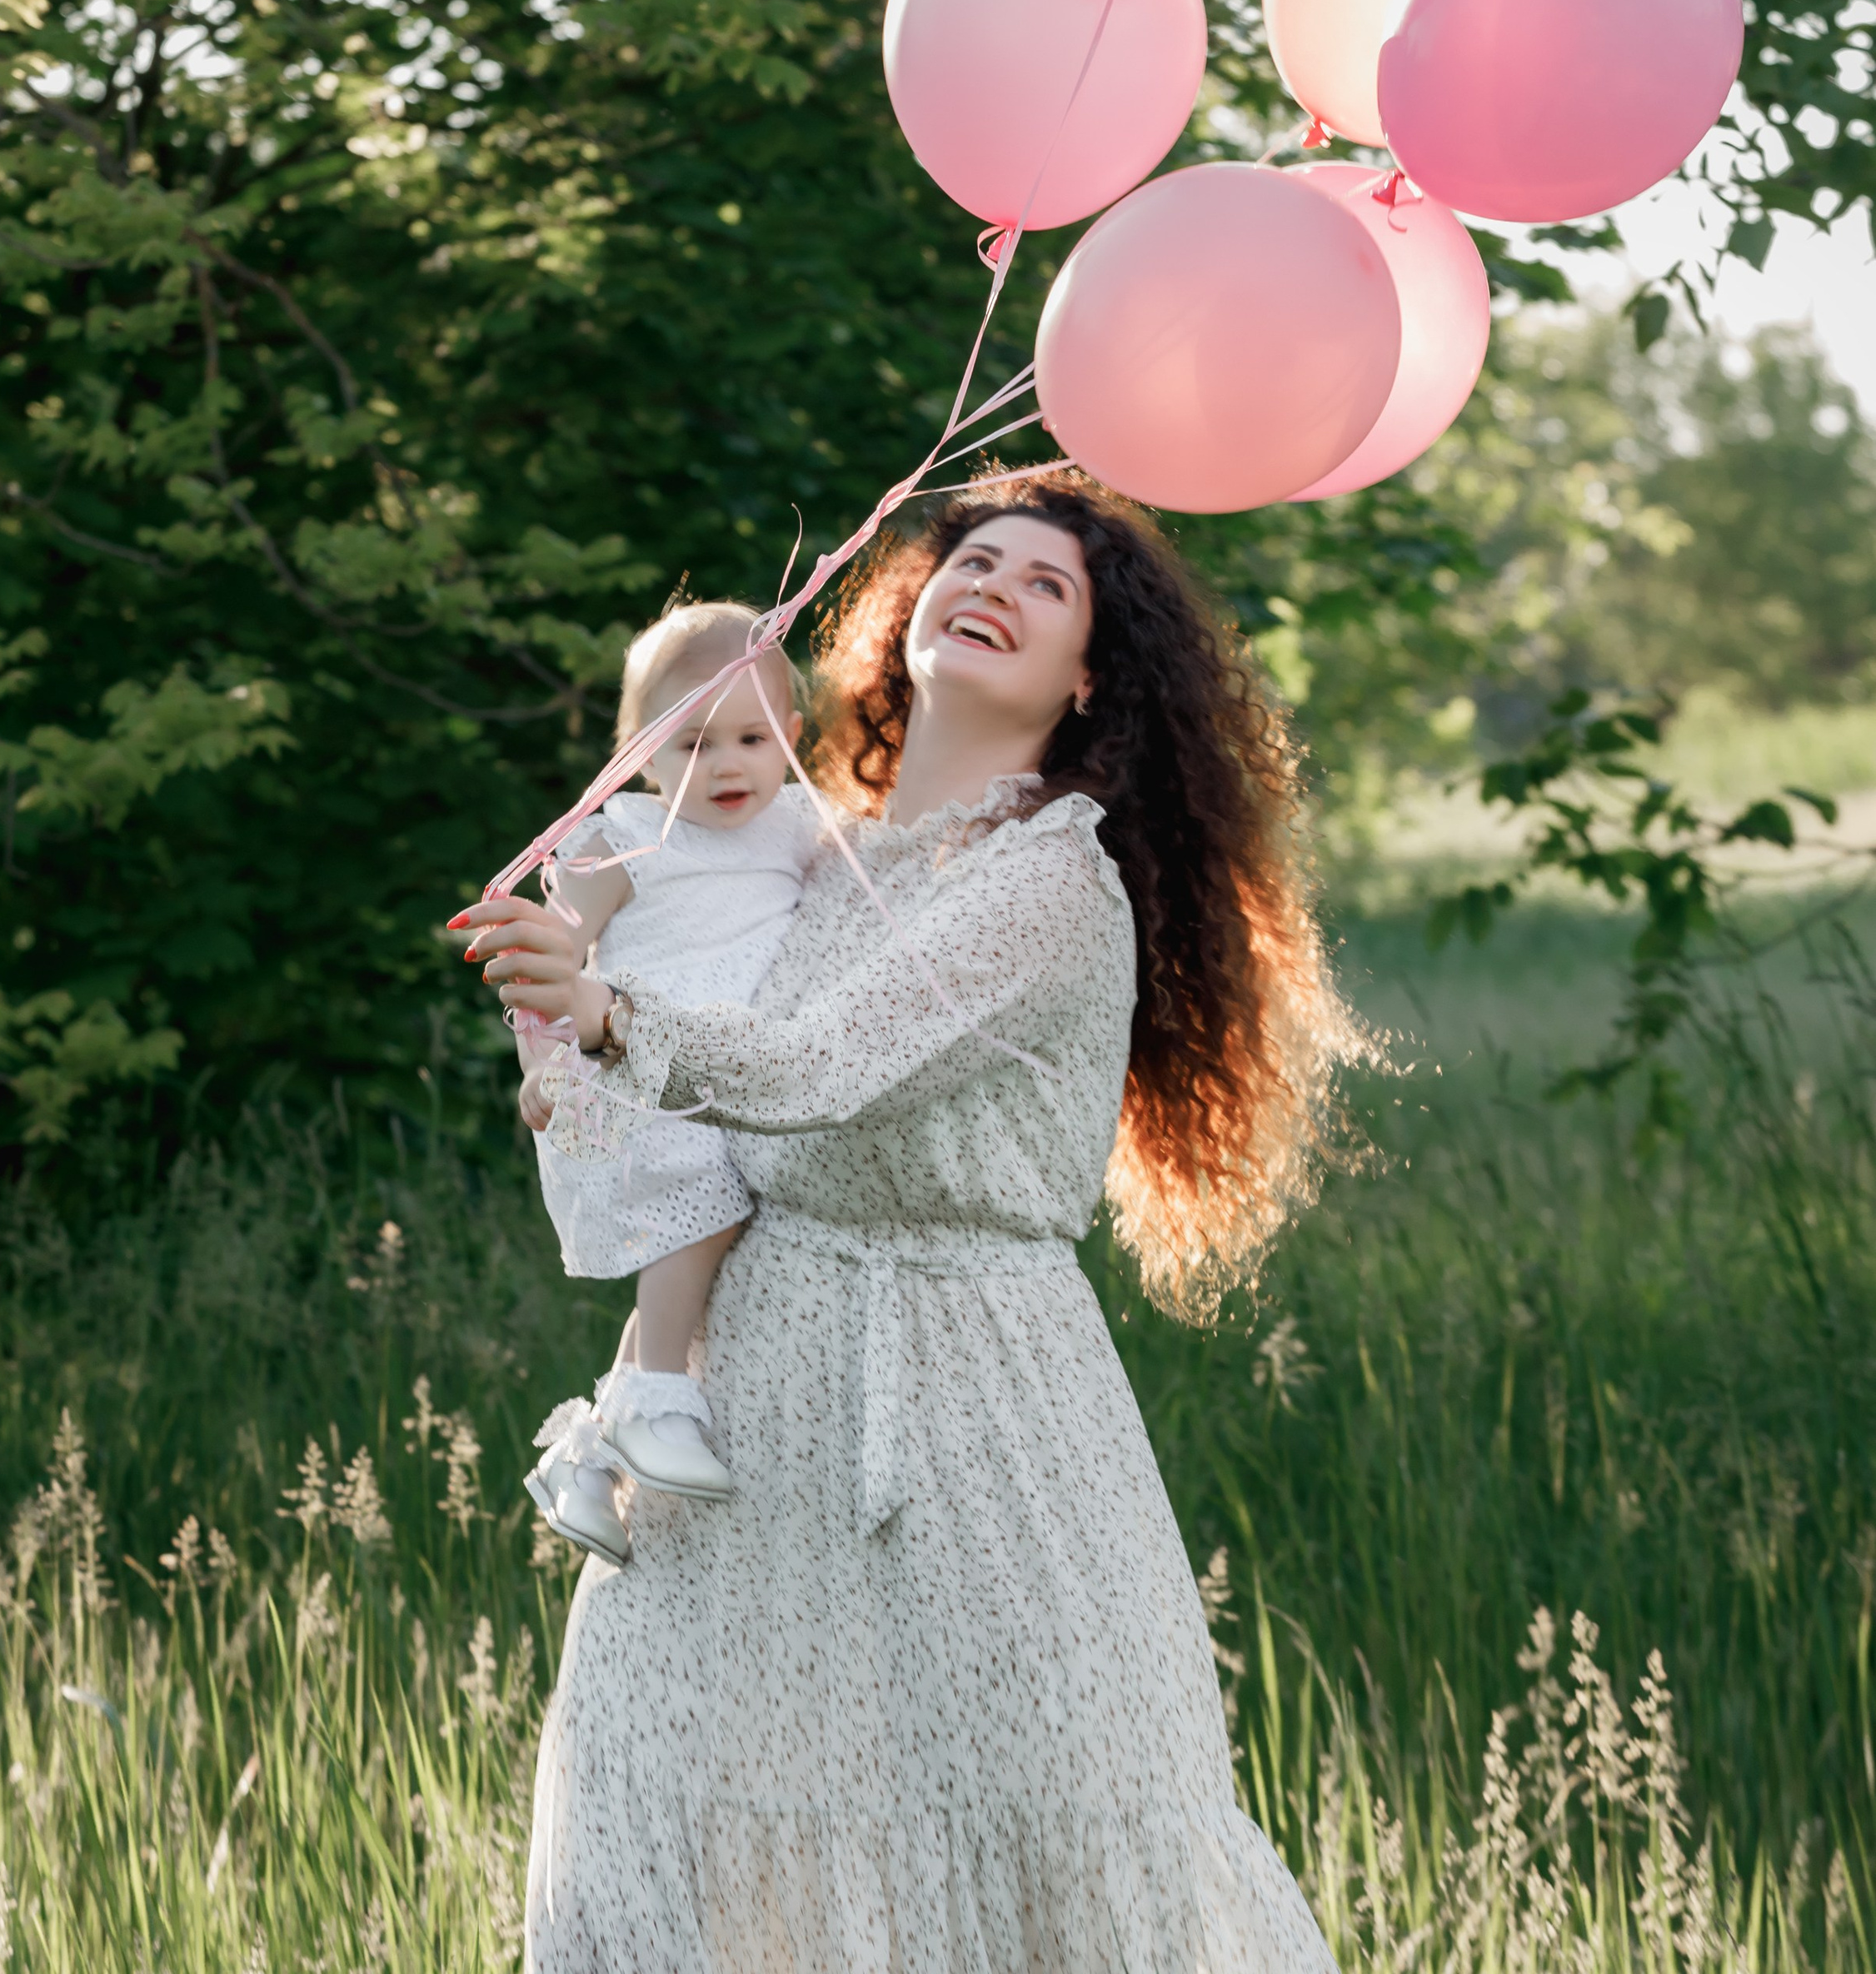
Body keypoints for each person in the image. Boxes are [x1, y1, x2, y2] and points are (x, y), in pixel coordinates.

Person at [456, 467, 1359, 1974]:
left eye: (1046, 584)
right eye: (974, 559)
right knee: (670, 1779)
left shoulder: (1049, 884)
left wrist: (609, 1012)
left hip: (971, 1398)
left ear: (1089, 679)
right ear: (909, 610)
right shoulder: (816, 854)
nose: (993, 582)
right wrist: (563, 1026)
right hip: (746, 1386)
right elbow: (681, 1054)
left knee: (1020, 1815)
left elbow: (816, 1072)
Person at [521, 603, 827, 1567]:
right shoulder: (623, 836)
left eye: (753, 736)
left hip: (727, 1077)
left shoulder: (800, 827)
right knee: (703, 1204)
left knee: (693, 1249)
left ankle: (587, 1462)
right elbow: (540, 963)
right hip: (633, 1074)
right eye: (692, 742)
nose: (727, 764)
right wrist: (541, 1069)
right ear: (639, 753)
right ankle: (659, 1399)